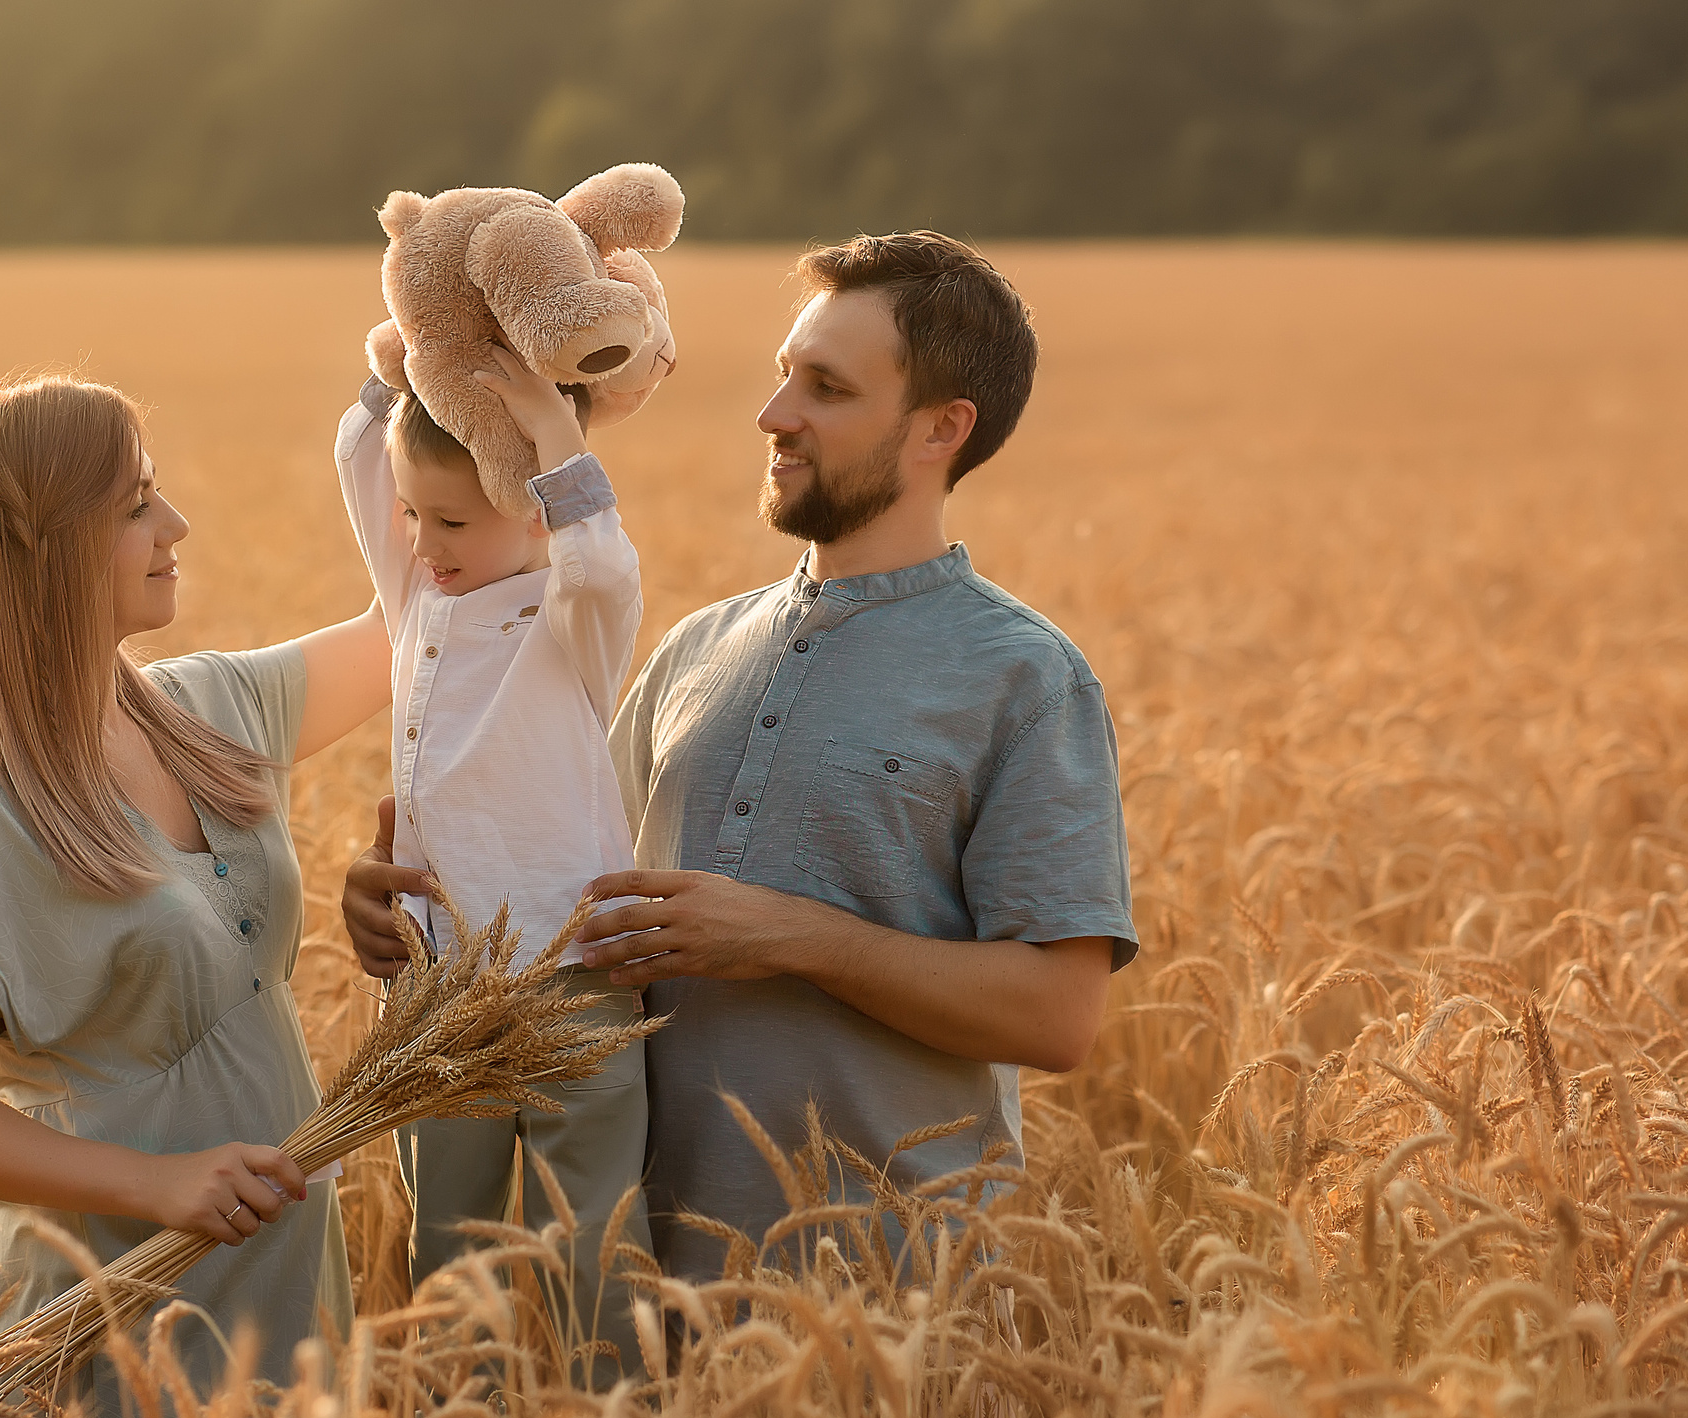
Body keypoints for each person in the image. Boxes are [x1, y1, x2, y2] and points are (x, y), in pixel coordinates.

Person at [343, 232, 1138, 1282]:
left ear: (940, 429)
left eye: (826, 388)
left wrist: (795, 937)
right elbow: (568, 893)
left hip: (895, 1311)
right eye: (780, 377)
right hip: (650, 1307)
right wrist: (414, 903)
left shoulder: (1025, 677)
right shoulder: (692, 651)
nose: (772, 415)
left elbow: (1058, 1016)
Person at [0, 375, 390, 1418]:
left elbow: (425, 623)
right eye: (135, 505)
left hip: (280, 1292)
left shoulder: (208, 710)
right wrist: (153, 1185)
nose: (175, 528)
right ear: (46, 547)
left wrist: (479, 403)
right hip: (115, 1313)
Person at [333, 345, 651, 1383]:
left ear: (533, 513)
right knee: (448, 1258)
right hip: (439, 982)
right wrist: (408, 352)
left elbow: (600, 559)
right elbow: (358, 455)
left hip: (572, 978)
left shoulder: (572, 622)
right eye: (415, 518)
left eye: (453, 522)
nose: (423, 543)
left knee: (589, 1250)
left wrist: (550, 426)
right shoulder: (419, 599)